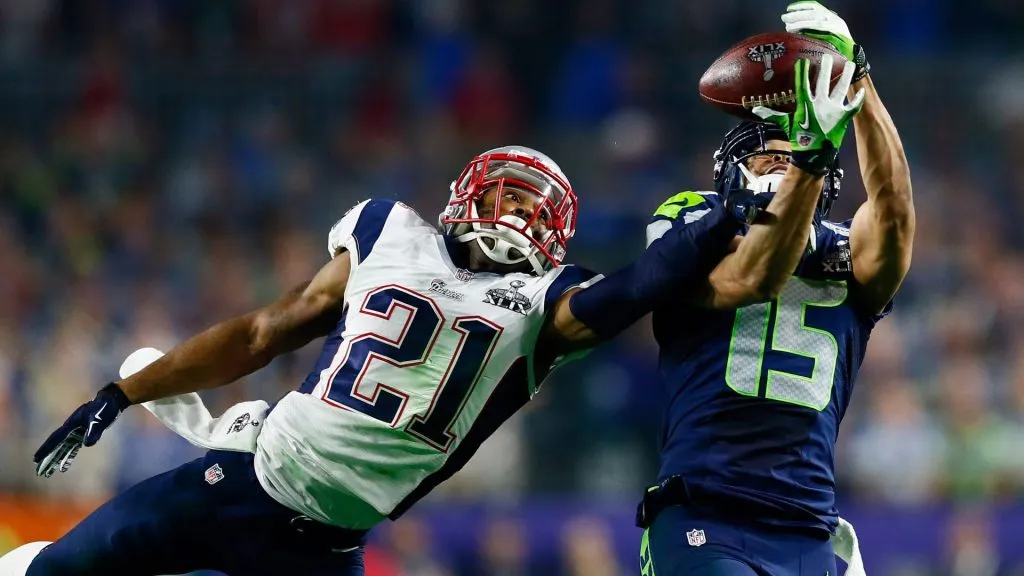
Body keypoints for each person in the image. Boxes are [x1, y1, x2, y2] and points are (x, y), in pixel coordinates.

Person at [6, 116, 840, 576]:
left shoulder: (545, 307)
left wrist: (723, 221)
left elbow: (636, 288)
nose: (518, 216)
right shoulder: (388, 234)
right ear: (465, 195)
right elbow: (263, 330)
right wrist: (124, 393)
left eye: (535, 208)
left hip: (329, 547)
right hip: (240, 487)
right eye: (508, 196)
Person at [636, 3, 914, 575]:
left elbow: (893, 211)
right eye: (766, 157)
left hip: (809, 525)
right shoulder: (695, 218)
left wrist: (858, 79)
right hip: (706, 512)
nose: (782, 166)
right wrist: (809, 161)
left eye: (795, 157)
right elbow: (752, 275)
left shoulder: (845, 244)